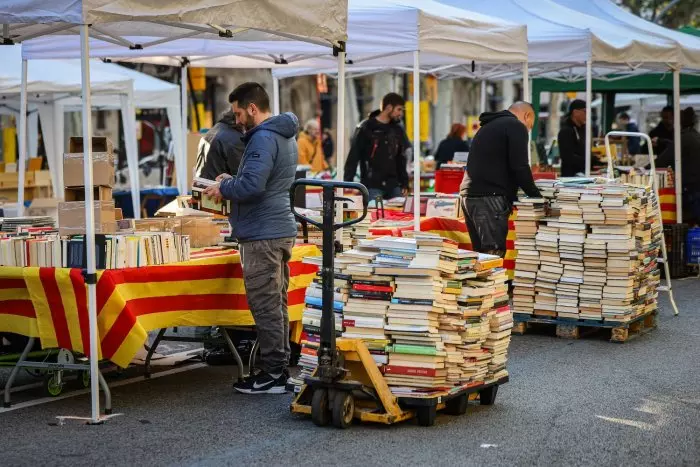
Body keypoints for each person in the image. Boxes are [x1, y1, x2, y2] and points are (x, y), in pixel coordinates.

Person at [203, 82, 298, 394]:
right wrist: (233, 179)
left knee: (266, 305)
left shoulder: (263, 138)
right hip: (276, 229)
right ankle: (278, 369)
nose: (237, 119)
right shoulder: (283, 136)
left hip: (262, 234)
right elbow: (263, 181)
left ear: (253, 108)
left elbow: (254, 186)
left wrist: (225, 188)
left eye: (239, 112)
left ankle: (272, 373)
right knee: (276, 303)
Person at [464, 101, 541, 257]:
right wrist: (536, 196)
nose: (528, 129)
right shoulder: (516, 126)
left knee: (481, 256)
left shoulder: (489, 126)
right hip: (490, 198)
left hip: (469, 196)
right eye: (530, 125)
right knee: (493, 255)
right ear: (527, 116)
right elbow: (519, 166)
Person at [344, 92, 410, 200]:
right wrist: (348, 182)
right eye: (399, 109)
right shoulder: (366, 127)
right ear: (389, 108)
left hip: (393, 184)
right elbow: (354, 155)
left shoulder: (397, 129)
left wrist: (404, 183)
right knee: (375, 215)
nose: (401, 113)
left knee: (399, 215)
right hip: (372, 184)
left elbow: (401, 158)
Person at [655, 107, 700, 222]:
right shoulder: (694, 135)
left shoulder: (683, 138)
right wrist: (663, 141)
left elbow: (663, 160)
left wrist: (644, 167)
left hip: (688, 187)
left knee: (688, 220)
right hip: (695, 185)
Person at [193, 110, 245, 180]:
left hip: (202, 185)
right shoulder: (234, 138)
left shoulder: (216, 129)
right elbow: (242, 177)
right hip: (216, 187)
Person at [558, 99, 602, 177]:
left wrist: (596, 159)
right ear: (575, 112)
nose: (587, 115)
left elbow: (583, 150)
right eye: (585, 112)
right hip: (571, 178)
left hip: (584, 174)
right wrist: (589, 160)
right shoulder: (566, 131)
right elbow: (567, 157)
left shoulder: (583, 129)